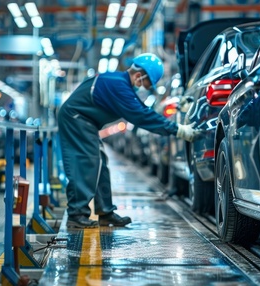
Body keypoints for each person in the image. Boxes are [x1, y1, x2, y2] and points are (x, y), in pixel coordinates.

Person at [58, 53, 199, 228]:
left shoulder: (120, 82)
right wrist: (177, 129)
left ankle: (105, 212)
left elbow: (141, 108)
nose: (145, 88)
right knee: (87, 163)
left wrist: (177, 105)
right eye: (146, 85)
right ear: (140, 76)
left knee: (100, 162)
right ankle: (77, 214)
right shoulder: (119, 86)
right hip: (76, 118)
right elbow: (141, 116)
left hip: (84, 120)